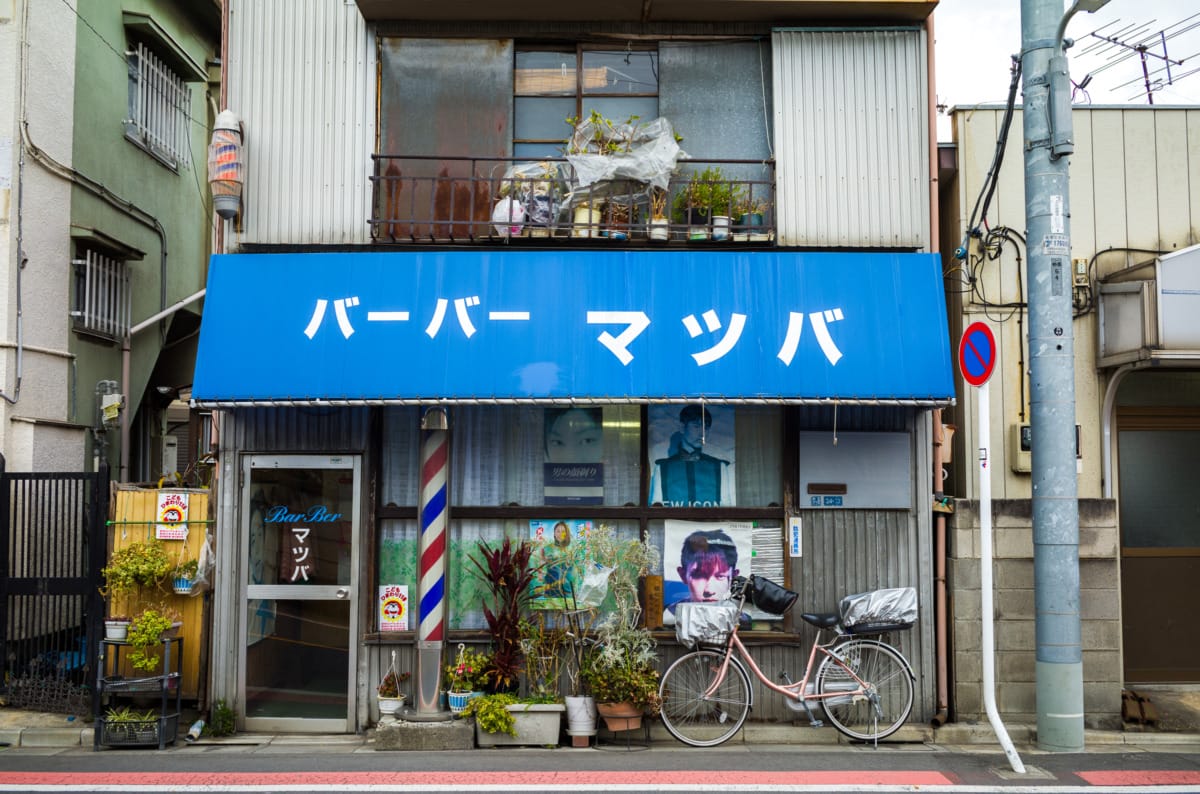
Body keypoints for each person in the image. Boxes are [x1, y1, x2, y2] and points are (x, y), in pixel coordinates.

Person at [649, 405, 733, 507]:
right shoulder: (662, 468)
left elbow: (726, 507)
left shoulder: (719, 467)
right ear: (682, 428)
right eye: (696, 426)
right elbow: (656, 506)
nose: (702, 433)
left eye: (706, 428)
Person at [662, 528, 741, 624]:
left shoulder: (741, 619)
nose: (709, 590)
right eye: (699, 576)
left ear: (733, 578)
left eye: (720, 576)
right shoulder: (669, 615)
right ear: (683, 575)